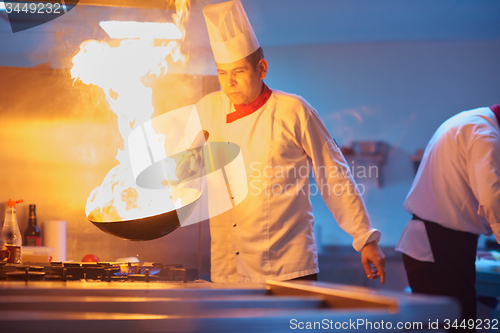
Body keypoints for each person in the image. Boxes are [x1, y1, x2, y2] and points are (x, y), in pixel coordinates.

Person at [194, 0, 386, 283]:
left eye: (238, 72)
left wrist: (365, 238)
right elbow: (184, 165)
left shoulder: (294, 110)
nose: (229, 84)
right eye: (222, 73)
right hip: (227, 270)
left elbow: (334, 174)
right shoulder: (207, 109)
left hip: (287, 268)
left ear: (262, 68)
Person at [396, 104, 500, 327]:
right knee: (458, 326)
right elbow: (492, 198)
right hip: (440, 247)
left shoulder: (470, 121)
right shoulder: (485, 133)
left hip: (435, 243)